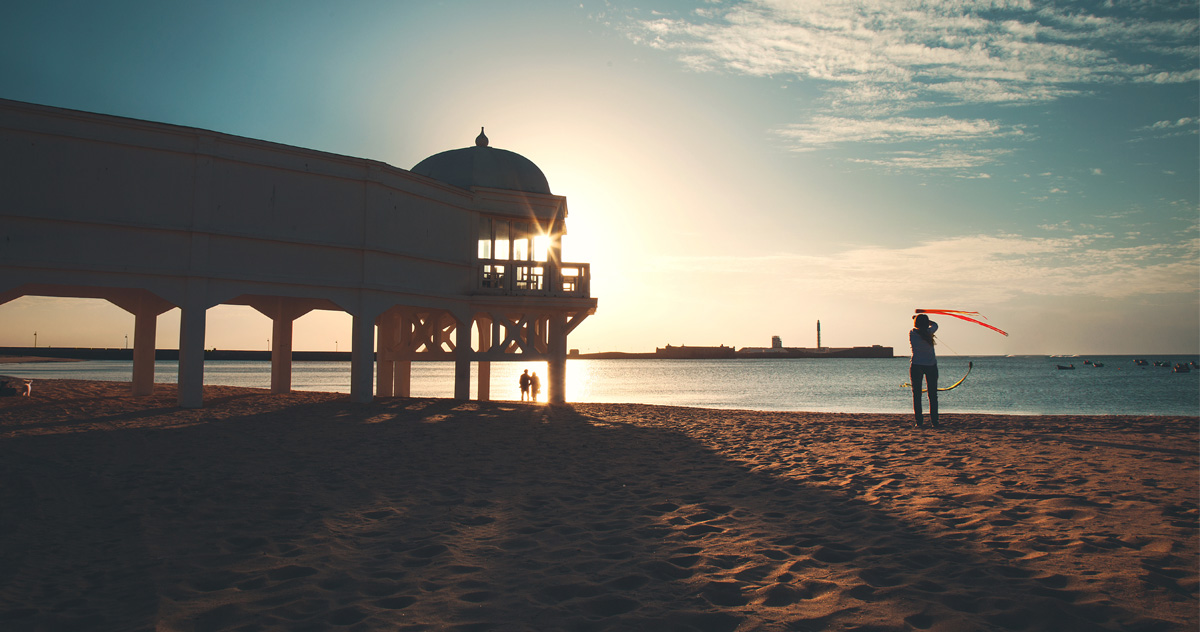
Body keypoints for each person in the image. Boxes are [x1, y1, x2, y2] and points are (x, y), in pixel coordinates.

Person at [909, 313, 939, 428]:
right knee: (932, 395)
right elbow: (935, 324)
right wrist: (928, 322)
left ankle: (919, 422)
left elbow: (918, 326)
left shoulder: (912, 333)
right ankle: (934, 422)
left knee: (916, 395)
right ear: (926, 324)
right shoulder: (929, 332)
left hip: (917, 365)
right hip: (930, 365)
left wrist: (916, 319)